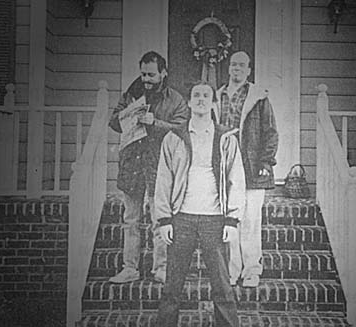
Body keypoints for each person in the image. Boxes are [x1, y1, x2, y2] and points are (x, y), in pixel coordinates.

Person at [154, 82, 245, 327]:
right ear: (190, 102)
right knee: (172, 285)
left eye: (207, 95)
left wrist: (232, 220)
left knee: (222, 286)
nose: (201, 99)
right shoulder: (174, 138)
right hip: (182, 218)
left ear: (214, 103)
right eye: (196, 95)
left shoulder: (226, 138)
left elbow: (236, 179)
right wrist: (164, 220)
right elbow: (164, 179)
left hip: (214, 220)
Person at [108, 51, 190, 284]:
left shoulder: (175, 99)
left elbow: (182, 129)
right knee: (131, 220)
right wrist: (128, 115)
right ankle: (130, 268)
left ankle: (161, 268)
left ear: (163, 73)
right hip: (132, 164)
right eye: (143, 74)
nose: (146, 79)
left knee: (159, 221)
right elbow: (113, 122)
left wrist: (155, 122)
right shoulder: (132, 94)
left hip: (159, 166)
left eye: (151, 74)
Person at [215, 51, 279, 288]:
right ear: (228, 68)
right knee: (231, 220)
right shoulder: (218, 96)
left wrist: (266, 162)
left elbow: (271, 133)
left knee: (251, 221)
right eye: (233, 65)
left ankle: (252, 271)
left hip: (252, 168)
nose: (236, 69)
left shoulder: (259, 98)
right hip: (226, 167)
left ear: (249, 70)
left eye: (241, 65)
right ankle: (233, 270)